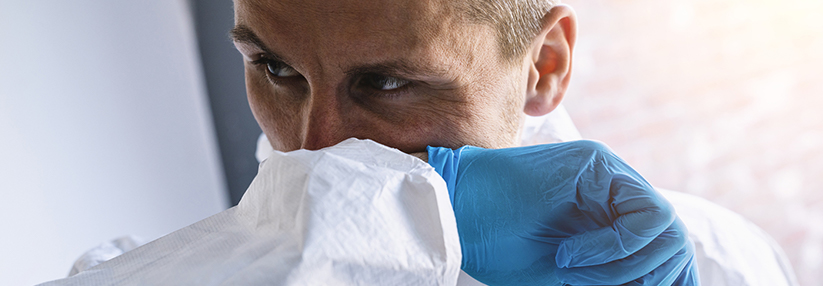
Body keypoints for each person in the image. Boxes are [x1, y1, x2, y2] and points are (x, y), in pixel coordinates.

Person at [231, 0, 697, 284]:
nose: (316, 151)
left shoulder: (727, 270)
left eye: (387, 83)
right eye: (276, 68)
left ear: (545, 66)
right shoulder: (231, 259)